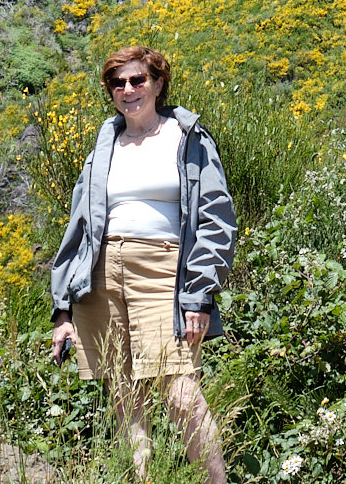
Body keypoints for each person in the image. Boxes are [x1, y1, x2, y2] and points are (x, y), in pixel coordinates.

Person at [49, 47, 236, 484]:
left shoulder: (186, 135)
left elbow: (216, 217)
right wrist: (63, 308)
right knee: (123, 393)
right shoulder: (106, 142)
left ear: (158, 83)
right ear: (109, 91)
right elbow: (79, 223)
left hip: (163, 271)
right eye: (118, 82)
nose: (128, 89)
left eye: (138, 80)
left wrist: (199, 294)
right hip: (101, 274)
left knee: (180, 391)